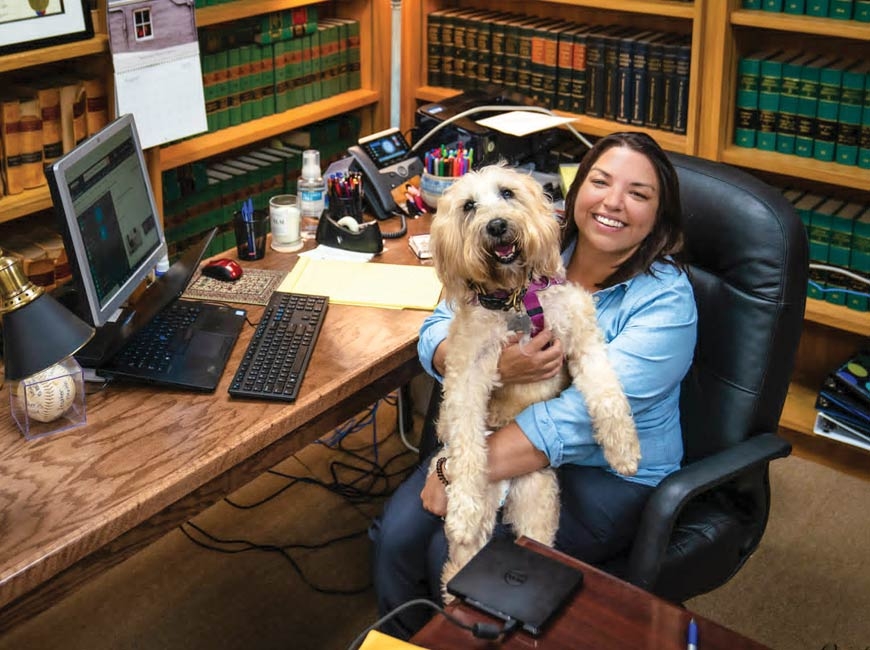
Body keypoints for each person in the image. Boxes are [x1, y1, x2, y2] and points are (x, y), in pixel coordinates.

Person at [369, 132, 698, 639]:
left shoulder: (667, 301)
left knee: (455, 558)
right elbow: (441, 322)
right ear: (574, 190)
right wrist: (497, 365)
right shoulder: (534, 236)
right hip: (504, 428)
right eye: (601, 182)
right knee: (394, 540)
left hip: (604, 469)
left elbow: (575, 418)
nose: (613, 202)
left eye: (639, 193)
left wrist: (456, 471)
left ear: (660, 214)